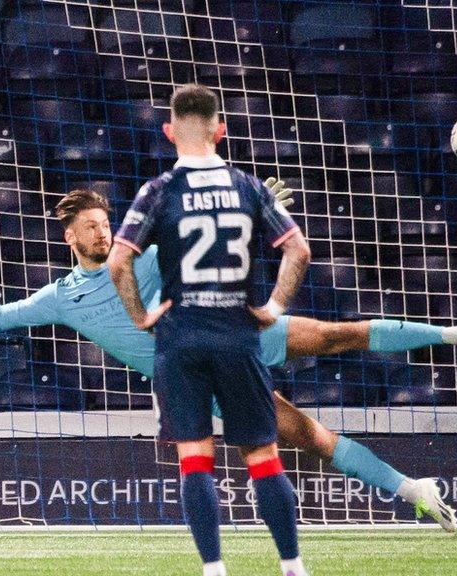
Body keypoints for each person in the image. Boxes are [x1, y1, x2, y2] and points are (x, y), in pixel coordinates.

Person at [0, 183, 457, 533]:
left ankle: (453, 334)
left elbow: (199, 237)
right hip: (199, 380)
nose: (102, 233)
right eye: (91, 228)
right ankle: (415, 489)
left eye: (105, 224)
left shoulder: (141, 258)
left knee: (339, 334)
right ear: (71, 238)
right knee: (307, 434)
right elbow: (0, 318)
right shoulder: (62, 297)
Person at [107, 82, 311, 575]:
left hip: (180, 340)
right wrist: (275, 305)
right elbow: (298, 250)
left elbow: (118, 262)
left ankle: (214, 569)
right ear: (221, 130)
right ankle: (292, 566)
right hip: (238, 336)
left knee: (195, 458)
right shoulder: (248, 186)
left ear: (169, 131)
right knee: (263, 457)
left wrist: (140, 317)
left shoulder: (158, 191)